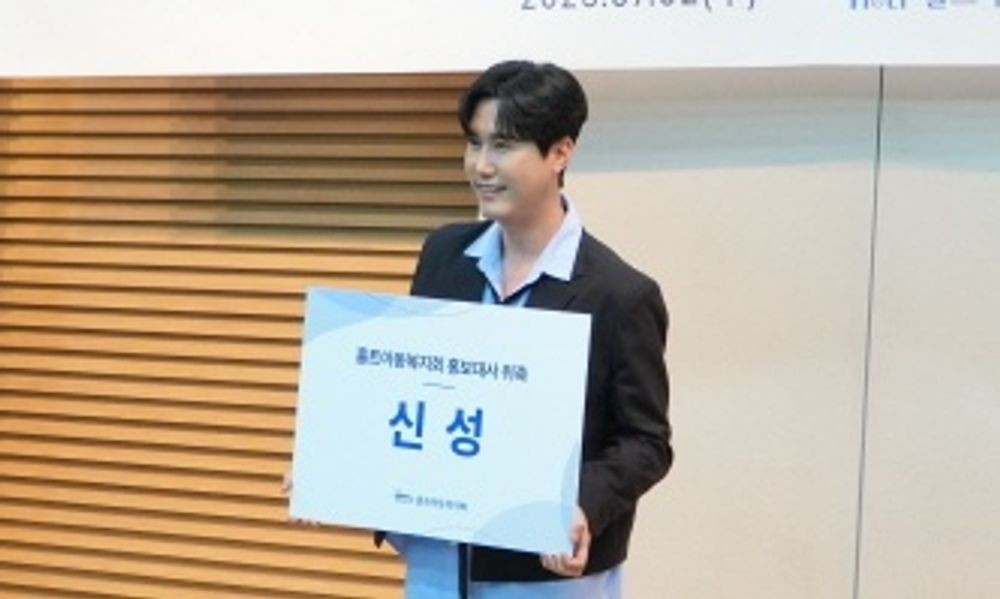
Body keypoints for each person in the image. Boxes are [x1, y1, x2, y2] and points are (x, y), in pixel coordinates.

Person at [378, 60, 674, 598]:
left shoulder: (620, 294)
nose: (481, 166)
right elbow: (413, 389)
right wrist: (339, 466)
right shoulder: (444, 254)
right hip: (440, 558)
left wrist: (580, 505)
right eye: (474, 143)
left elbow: (645, 443)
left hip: (545, 573)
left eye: (503, 146)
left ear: (560, 152)